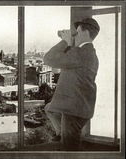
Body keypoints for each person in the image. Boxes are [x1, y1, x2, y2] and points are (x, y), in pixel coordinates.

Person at [43, 17, 100, 151]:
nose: (75, 35)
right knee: (49, 108)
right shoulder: (87, 53)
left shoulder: (82, 53)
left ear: (85, 33)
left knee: (70, 149)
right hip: (80, 105)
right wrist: (68, 42)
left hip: (74, 110)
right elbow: (67, 59)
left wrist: (64, 41)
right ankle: (61, 133)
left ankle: (63, 139)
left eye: (77, 32)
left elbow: (48, 58)